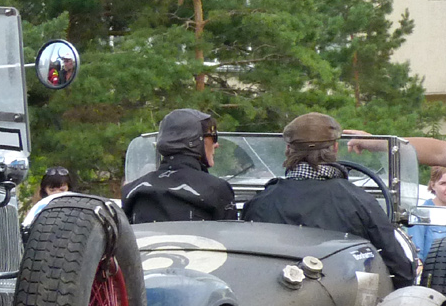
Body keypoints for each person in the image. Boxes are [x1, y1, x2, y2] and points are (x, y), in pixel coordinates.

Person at [242, 112, 415, 289]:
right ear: (334, 148)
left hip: (273, 300)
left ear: (288, 149)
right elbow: (401, 271)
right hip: (342, 304)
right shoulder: (360, 202)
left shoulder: (260, 202)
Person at [121, 109, 236, 223]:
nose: (216, 144)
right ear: (195, 140)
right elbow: (229, 238)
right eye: (213, 136)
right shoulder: (217, 189)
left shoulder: (132, 191)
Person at [410, 165, 446, 261]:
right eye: (443, 183)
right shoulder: (421, 213)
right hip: (435, 274)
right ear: (433, 185)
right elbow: (416, 255)